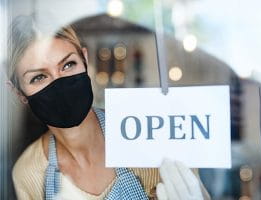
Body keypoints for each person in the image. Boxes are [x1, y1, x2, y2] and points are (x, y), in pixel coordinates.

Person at [8, 15, 211, 200]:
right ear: (19, 94)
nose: (59, 82)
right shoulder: (29, 173)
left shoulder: (148, 133)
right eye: (39, 77)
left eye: (68, 64)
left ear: (85, 60)